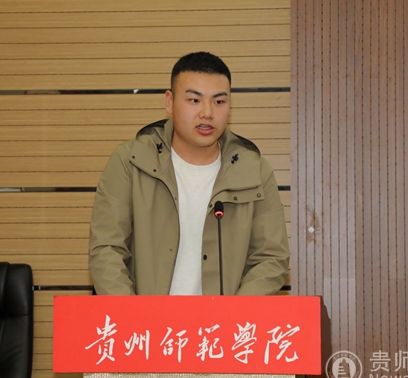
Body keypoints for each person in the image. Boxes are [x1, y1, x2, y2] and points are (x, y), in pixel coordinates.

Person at [88, 51, 289, 295]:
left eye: (219, 102)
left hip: (222, 319)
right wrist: (134, 314)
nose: (207, 113)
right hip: (144, 318)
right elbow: (107, 251)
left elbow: (271, 258)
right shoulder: (131, 161)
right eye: (194, 100)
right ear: (170, 102)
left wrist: (233, 313)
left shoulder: (253, 170)